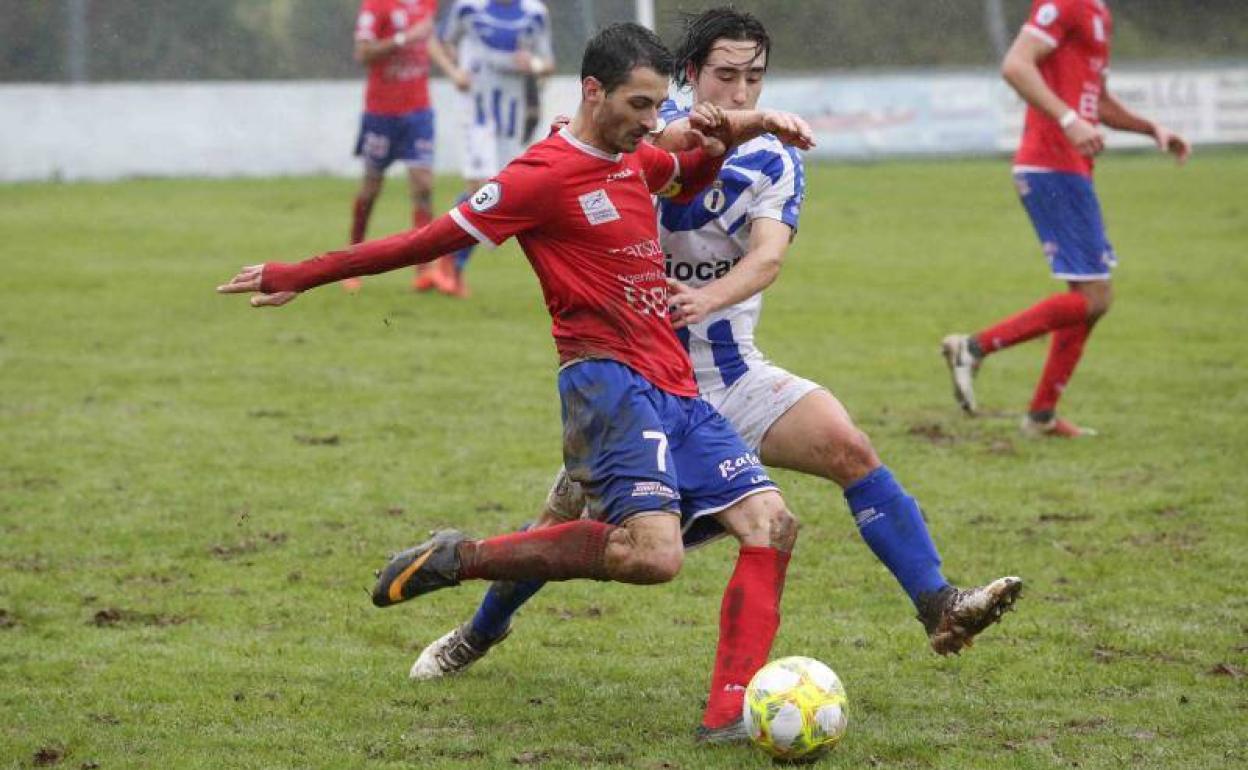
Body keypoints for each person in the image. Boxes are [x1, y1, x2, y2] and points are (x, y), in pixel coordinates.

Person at [408, 7, 1023, 744]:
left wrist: (706, 295)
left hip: (732, 373)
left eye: (754, 78)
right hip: (636, 378)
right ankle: (479, 629)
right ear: (689, 76)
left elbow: (766, 257)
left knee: (848, 448)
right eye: (724, 75)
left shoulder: (774, 156)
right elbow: (573, 171)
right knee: (563, 530)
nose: (739, 91)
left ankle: (939, 606)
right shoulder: (640, 131)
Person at [217, 22, 816, 722]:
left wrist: (742, 129)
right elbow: (422, 241)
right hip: (606, 383)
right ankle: (461, 557)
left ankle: (729, 719)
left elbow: (687, 168)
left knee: (772, 525)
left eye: (659, 108)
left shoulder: (636, 157)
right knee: (654, 558)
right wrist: (301, 273)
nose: (653, 123)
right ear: (592, 92)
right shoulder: (538, 178)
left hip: (675, 385)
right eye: (640, 106)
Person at [942, 0, 1189, 436]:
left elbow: (1098, 102)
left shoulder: (1099, 13)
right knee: (1095, 297)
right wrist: (1069, 120)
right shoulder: (1066, 3)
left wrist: (1152, 129)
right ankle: (973, 347)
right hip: (1050, 165)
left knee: (1090, 302)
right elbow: (1015, 65)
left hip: (1069, 167)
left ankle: (1041, 415)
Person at [430, 0, 556, 298]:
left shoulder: (534, 14)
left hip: (511, 113)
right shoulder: (468, 8)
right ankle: (450, 264)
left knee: (500, 192)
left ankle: (449, 261)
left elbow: (547, 63)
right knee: (481, 188)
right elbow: (438, 42)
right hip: (475, 109)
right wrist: (454, 72)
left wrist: (535, 65)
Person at [346, 0, 468, 293]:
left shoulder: (429, 4)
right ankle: (351, 261)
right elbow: (362, 54)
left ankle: (424, 269)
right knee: (371, 188)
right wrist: (404, 38)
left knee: (423, 185)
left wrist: (449, 58)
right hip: (381, 113)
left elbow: (433, 42)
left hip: (418, 112)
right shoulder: (376, 5)